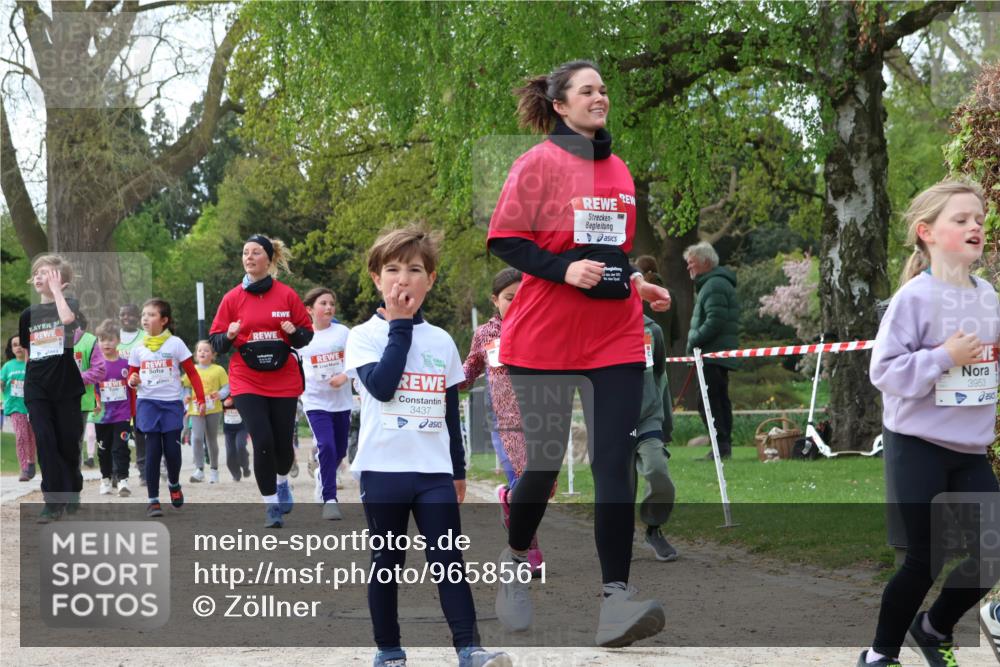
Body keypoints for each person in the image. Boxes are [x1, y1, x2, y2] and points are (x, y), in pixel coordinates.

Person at [487, 60, 671, 647]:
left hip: (614, 335)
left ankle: (616, 599)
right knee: (542, 462)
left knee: (611, 461)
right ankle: (516, 559)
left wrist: (637, 287)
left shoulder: (618, 168)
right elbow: (506, 240)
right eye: (587, 90)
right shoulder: (536, 163)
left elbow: (608, 251)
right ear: (560, 105)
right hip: (542, 338)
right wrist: (565, 269)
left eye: (604, 90)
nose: (601, 97)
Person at [345, 226, 511, 667]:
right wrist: (399, 326)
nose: (403, 279)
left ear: (431, 279)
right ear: (376, 278)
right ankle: (389, 650)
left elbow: (449, 411)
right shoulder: (363, 336)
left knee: (448, 562)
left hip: (434, 474)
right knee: (387, 562)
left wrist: (458, 472)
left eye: (415, 269)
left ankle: (469, 649)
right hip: (383, 471)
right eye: (393, 269)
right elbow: (381, 387)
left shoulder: (440, 341)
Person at [861, 180, 999, 667]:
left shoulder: (990, 298)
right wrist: (944, 356)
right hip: (916, 444)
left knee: (994, 552)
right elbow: (884, 372)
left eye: (979, 219)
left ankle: (933, 626)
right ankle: (880, 655)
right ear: (927, 232)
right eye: (960, 220)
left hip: (970, 449)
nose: (974, 227)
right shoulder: (913, 299)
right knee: (925, 561)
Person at [209, 234, 313, 528]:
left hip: (283, 377)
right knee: (263, 440)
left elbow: (305, 337)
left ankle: (282, 482)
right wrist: (228, 335)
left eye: (256, 252)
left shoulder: (287, 295)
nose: (249, 257)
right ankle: (271, 506)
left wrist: (293, 332)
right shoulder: (232, 298)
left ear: (269, 259)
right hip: (246, 379)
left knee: (281, 444)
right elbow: (216, 344)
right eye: (245, 253)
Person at [460, 268, 545, 575]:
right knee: (526, 482)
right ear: (495, 300)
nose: (517, 302)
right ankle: (529, 547)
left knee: (543, 487)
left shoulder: (540, 326)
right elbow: (468, 371)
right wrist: (443, 380)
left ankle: (507, 499)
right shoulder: (484, 334)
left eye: (523, 296)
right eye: (510, 298)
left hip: (541, 418)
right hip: (505, 421)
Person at [19, 255, 87, 521]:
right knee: (45, 441)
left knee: (68, 443)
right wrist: (26, 387)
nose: (38, 277)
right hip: (37, 387)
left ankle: (72, 488)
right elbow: (27, 352)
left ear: (61, 280)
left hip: (66, 386)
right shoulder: (27, 315)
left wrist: (58, 292)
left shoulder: (70, 305)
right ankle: (52, 501)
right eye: (36, 272)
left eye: (46, 273)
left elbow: (69, 322)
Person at [127, 298, 206, 518]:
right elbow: (132, 379)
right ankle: (153, 500)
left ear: (164, 320)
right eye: (144, 314)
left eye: (151, 315)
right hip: (147, 404)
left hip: (171, 404)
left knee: (172, 451)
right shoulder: (138, 347)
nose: (145, 318)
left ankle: (173, 483)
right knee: (152, 451)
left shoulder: (176, 344)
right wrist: (132, 382)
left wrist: (200, 399)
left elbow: (192, 373)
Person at [297, 287, 352, 520]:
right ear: (309, 309)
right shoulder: (301, 338)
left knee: (339, 450)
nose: (329, 307)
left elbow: (356, 360)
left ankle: (322, 473)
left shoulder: (343, 333)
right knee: (327, 446)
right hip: (315, 401)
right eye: (323, 303)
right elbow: (292, 366)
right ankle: (330, 499)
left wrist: (345, 376)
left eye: (331, 303)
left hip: (341, 401)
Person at [683, 241, 739, 461]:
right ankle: (722, 446)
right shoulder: (714, 283)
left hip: (712, 354)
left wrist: (694, 340)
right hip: (716, 353)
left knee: (708, 401)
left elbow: (715, 320)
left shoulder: (714, 285)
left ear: (705, 263)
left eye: (692, 263)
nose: (689, 268)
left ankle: (720, 446)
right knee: (717, 399)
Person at [93, 319, 133, 497]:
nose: (106, 343)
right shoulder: (96, 365)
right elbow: (91, 388)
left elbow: (132, 388)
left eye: (110, 339)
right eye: (102, 339)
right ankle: (106, 479)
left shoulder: (126, 364)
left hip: (122, 414)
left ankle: (123, 480)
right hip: (101, 415)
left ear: (118, 340)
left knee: (121, 447)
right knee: (104, 449)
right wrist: (95, 403)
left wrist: (134, 410)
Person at [182, 341, 230, 484]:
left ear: (213, 355)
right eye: (200, 350)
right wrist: (185, 396)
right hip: (196, 409)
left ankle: (214, 470)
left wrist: (220, 395)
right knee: (196, 438)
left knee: (211, 439)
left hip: (213, 409)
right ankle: (199, 470)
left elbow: (227, 388)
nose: (203, 353)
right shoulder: (192, 370)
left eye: (206, 350)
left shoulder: (219, 370)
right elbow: (185, 386)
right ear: (196, 355)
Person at [117, 303, 147, 484]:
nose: (126, 318)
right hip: (118, 393)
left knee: (141, 432)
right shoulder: (114, 337)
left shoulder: (145, 337)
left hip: (139, 392)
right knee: (118, 434)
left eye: (130, 315)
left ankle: (144, 470)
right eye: (122, 315)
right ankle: (117, 472)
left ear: (138, 317)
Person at [1, 335, 35, 481]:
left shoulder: (32, 363)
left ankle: (31, 461)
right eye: (15, 345)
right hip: (15, 407)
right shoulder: (8, 366)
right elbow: (1, 384)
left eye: (21, 344)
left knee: (32, 437)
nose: (18, 347)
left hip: (32, 406)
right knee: (21, 436)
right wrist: (3, 394)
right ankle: (24, 469)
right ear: (11, 348)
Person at [74, 313, 105, 469]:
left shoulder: (90, 340)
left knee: (75, 442)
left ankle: (73, 481)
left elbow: (99, 370)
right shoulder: (51, 340)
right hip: (55, 400)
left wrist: (75, 379)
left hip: (81, 401)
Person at [221, 394, 250, 481]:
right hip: (228, 429)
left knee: (240, 446)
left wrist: (235, 401)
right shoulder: (224, 392)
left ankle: (245, 467)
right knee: (230, 453)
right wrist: (223, 403)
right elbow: (216, 402)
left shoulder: (242, 391)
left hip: (242, 427)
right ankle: (236, 474)